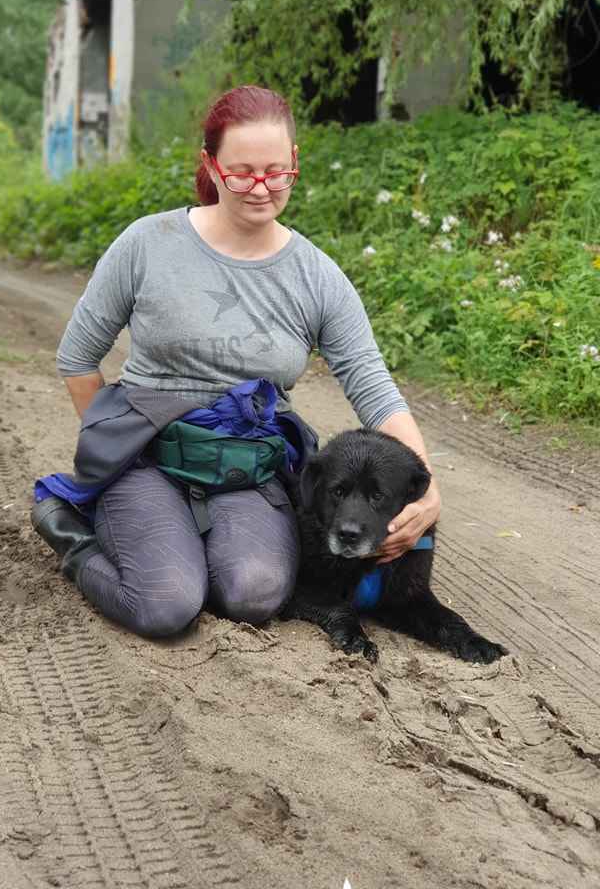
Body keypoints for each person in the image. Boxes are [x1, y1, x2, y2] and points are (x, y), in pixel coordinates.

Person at [31, 84, 441, 639]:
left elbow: (371, 385)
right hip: (146, 457)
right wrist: (114, 445)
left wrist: (427, 487)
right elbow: (77, 356)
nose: (260, 187)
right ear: (211, 165)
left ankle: (193, 539)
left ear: (294, 163)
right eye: (241, 171)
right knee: (168, 604)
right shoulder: (148, 243)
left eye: (276, 172)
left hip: (248, 466)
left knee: (256, 593)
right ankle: (77, 537)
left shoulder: (316, 276)